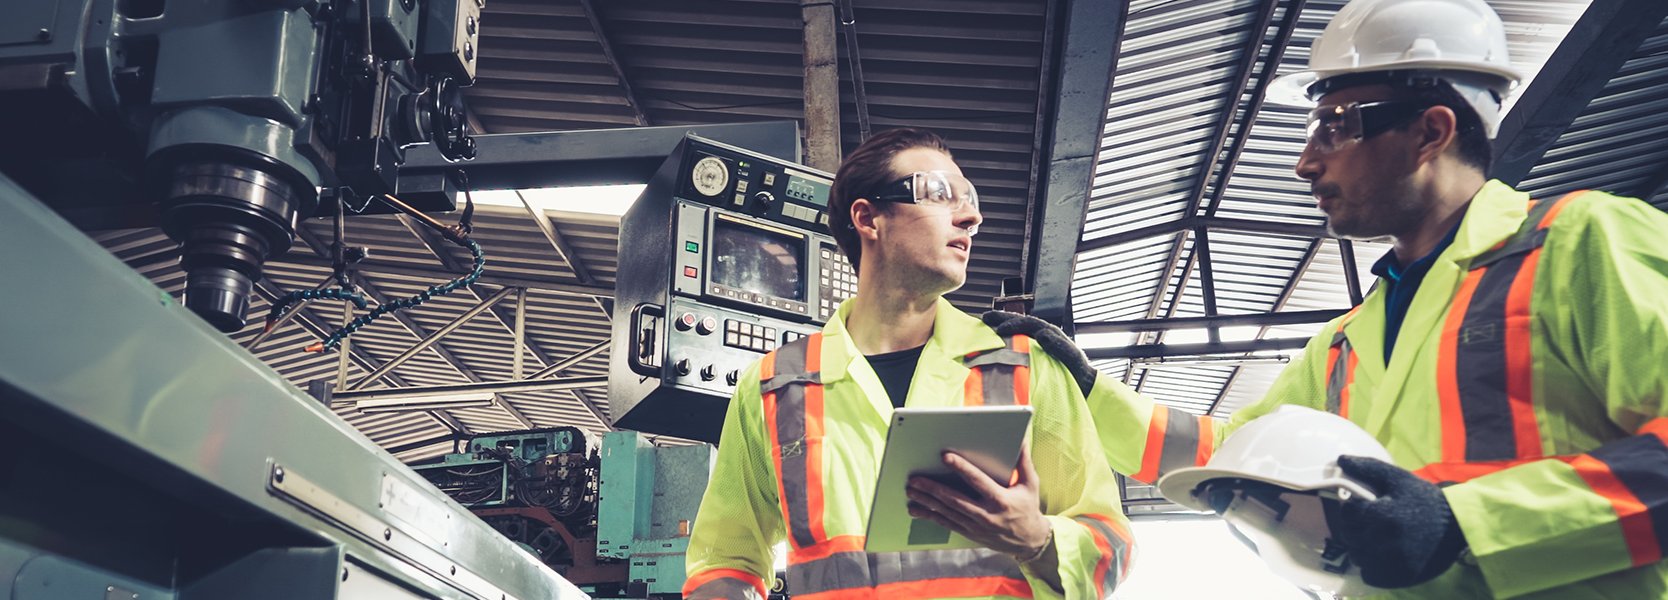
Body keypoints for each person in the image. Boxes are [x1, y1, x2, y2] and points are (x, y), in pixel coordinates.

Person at [987, 0, 1668, 597]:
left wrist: (1468, 523)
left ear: (1432, 131)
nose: (1305, 161)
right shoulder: (1349, 340)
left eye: (1337, 125)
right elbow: (1230, 454)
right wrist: (1089, 389)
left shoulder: (1580, 243)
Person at [682, 128, 1133, 600]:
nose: (971, 216)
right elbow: (725, 560)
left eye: (970, 198)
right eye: (939, 193)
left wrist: (1037, 541)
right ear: (868, 218)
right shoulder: (773, 387)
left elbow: (1110, 541)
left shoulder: (1028, 367)